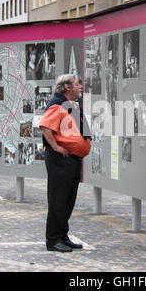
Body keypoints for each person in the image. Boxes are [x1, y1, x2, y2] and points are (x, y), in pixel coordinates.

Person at [39, 74, 91, 253]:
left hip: (72, 160)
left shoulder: (72, 105)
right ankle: (53, 240)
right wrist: (56, 146)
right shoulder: (57, 104)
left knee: (68, 200)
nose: (81, 87)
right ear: (68, 87)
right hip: (61, 159)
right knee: (58, 200)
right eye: (78, 84)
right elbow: (45, 126)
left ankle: (62, 235)